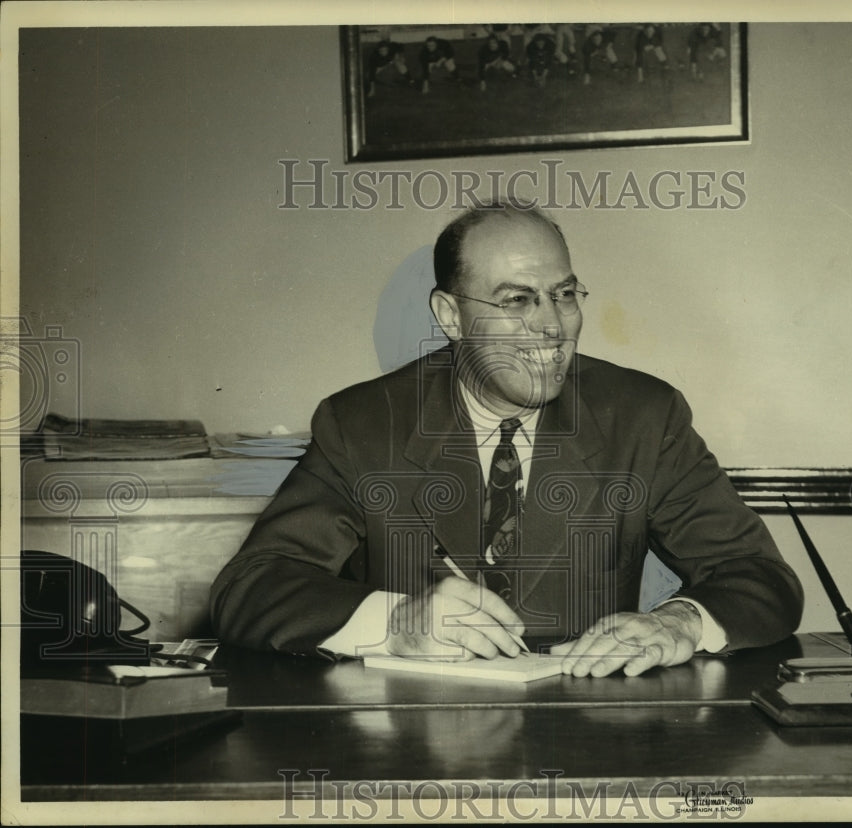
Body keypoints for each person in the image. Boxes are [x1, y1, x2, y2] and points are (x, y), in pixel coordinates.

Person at [210, 202, 803, 678]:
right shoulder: (364, 422)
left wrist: (680, 623)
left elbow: (759, 576)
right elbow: (250, 586)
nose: (552, 325)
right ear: (449, 316)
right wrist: (399, 623)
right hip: (415, 753)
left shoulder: (643, 417)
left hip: (589, 742)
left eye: (565, 294)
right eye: (517, 300)